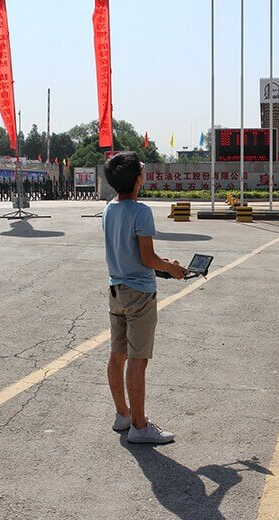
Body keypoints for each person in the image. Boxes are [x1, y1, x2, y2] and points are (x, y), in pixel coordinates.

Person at [101, 151, 186, 445]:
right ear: (137, 179)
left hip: (116, 290)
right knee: (138, 359)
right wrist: (171, 268)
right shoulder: (141, 211)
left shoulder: (109, 209)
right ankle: (140, 426)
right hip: (139, 294)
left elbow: (132, 253)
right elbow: (147, 258)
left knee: (117, 355)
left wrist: (164, 265)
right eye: (142, 169)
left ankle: (122, 414)